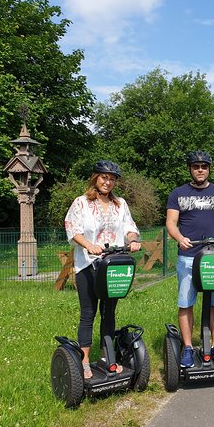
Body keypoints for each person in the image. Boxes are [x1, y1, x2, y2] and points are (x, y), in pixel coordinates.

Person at [64, 160, 142, 379]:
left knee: (109, 313)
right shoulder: (81, 203)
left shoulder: (120, 204)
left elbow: (129, 228)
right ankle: (85, 360)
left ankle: (108, 357)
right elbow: (72, 229)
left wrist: (133, 240)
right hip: (88, 265)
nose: (108, 182)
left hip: (112, 266)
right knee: (88, 313)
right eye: (104, 177)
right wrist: (89, 245)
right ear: (95, 178)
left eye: (112, 179)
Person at [165, 150, 214, 368]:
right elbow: (171, 222)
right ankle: (188, 347)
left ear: (209, 169)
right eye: (196, 166)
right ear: (190, 169)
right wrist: (179, 238)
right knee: (186, 302)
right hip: (189, 256)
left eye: (204, 166)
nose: (200, 170)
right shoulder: (178, 193)